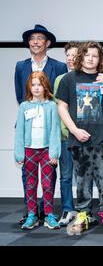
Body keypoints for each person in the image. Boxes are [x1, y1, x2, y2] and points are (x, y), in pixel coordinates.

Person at [56, 41, 103, 235]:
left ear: (100, 58)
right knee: (82, 178)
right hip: (79, 138)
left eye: (95, 55)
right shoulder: (69, 78)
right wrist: (74, 131)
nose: (91, 58)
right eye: (87, 55)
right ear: (80, 57)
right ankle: (83, 213)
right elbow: (61, 107)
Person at [14, 24, 67, 224]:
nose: (35, 42)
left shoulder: (59, 66)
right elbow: (20, 95)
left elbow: (59, 97)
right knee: (28, 179)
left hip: (48, 134)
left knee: (48, 179)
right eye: (32, 38)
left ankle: (47, 212)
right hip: (29, 135)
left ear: (47, 43)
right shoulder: (20, 66)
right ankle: (31, 212)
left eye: (40, 38)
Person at [14, 71, 61, 230]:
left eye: (39, 84)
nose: (36, 88)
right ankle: (32, 214)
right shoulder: (24, 106)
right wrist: (19, 154)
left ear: (45, 86)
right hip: (29, 151)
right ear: (29, 86)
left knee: (48, 184)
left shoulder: (52, 106)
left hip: (47, 150)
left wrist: (54, 153)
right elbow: (19, 131)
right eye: (33, 84)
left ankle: (48, 214)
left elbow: (55, 130)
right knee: (31, 184)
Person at [53, 41, 80, 227]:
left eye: (75, 55)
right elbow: (58, 108)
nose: (70, 59)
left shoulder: (87, 78)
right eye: (68, 56)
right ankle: (68, 209)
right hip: (65, 136)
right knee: (66, 175)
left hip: (85, 136)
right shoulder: (60, 79)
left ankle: (85, 210)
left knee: (85, 175)